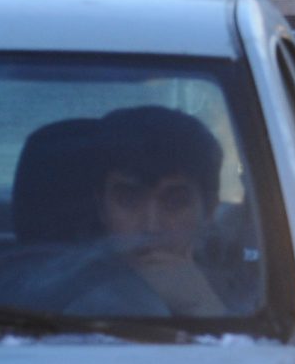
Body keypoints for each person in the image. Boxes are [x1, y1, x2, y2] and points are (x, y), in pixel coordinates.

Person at [88, 105, 233, 317]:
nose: (151, 226)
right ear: (102, 207)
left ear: (209, 209)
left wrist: (202, 305)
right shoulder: (53, 295)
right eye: (129, 199)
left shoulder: (250, 295)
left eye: (175, 202)